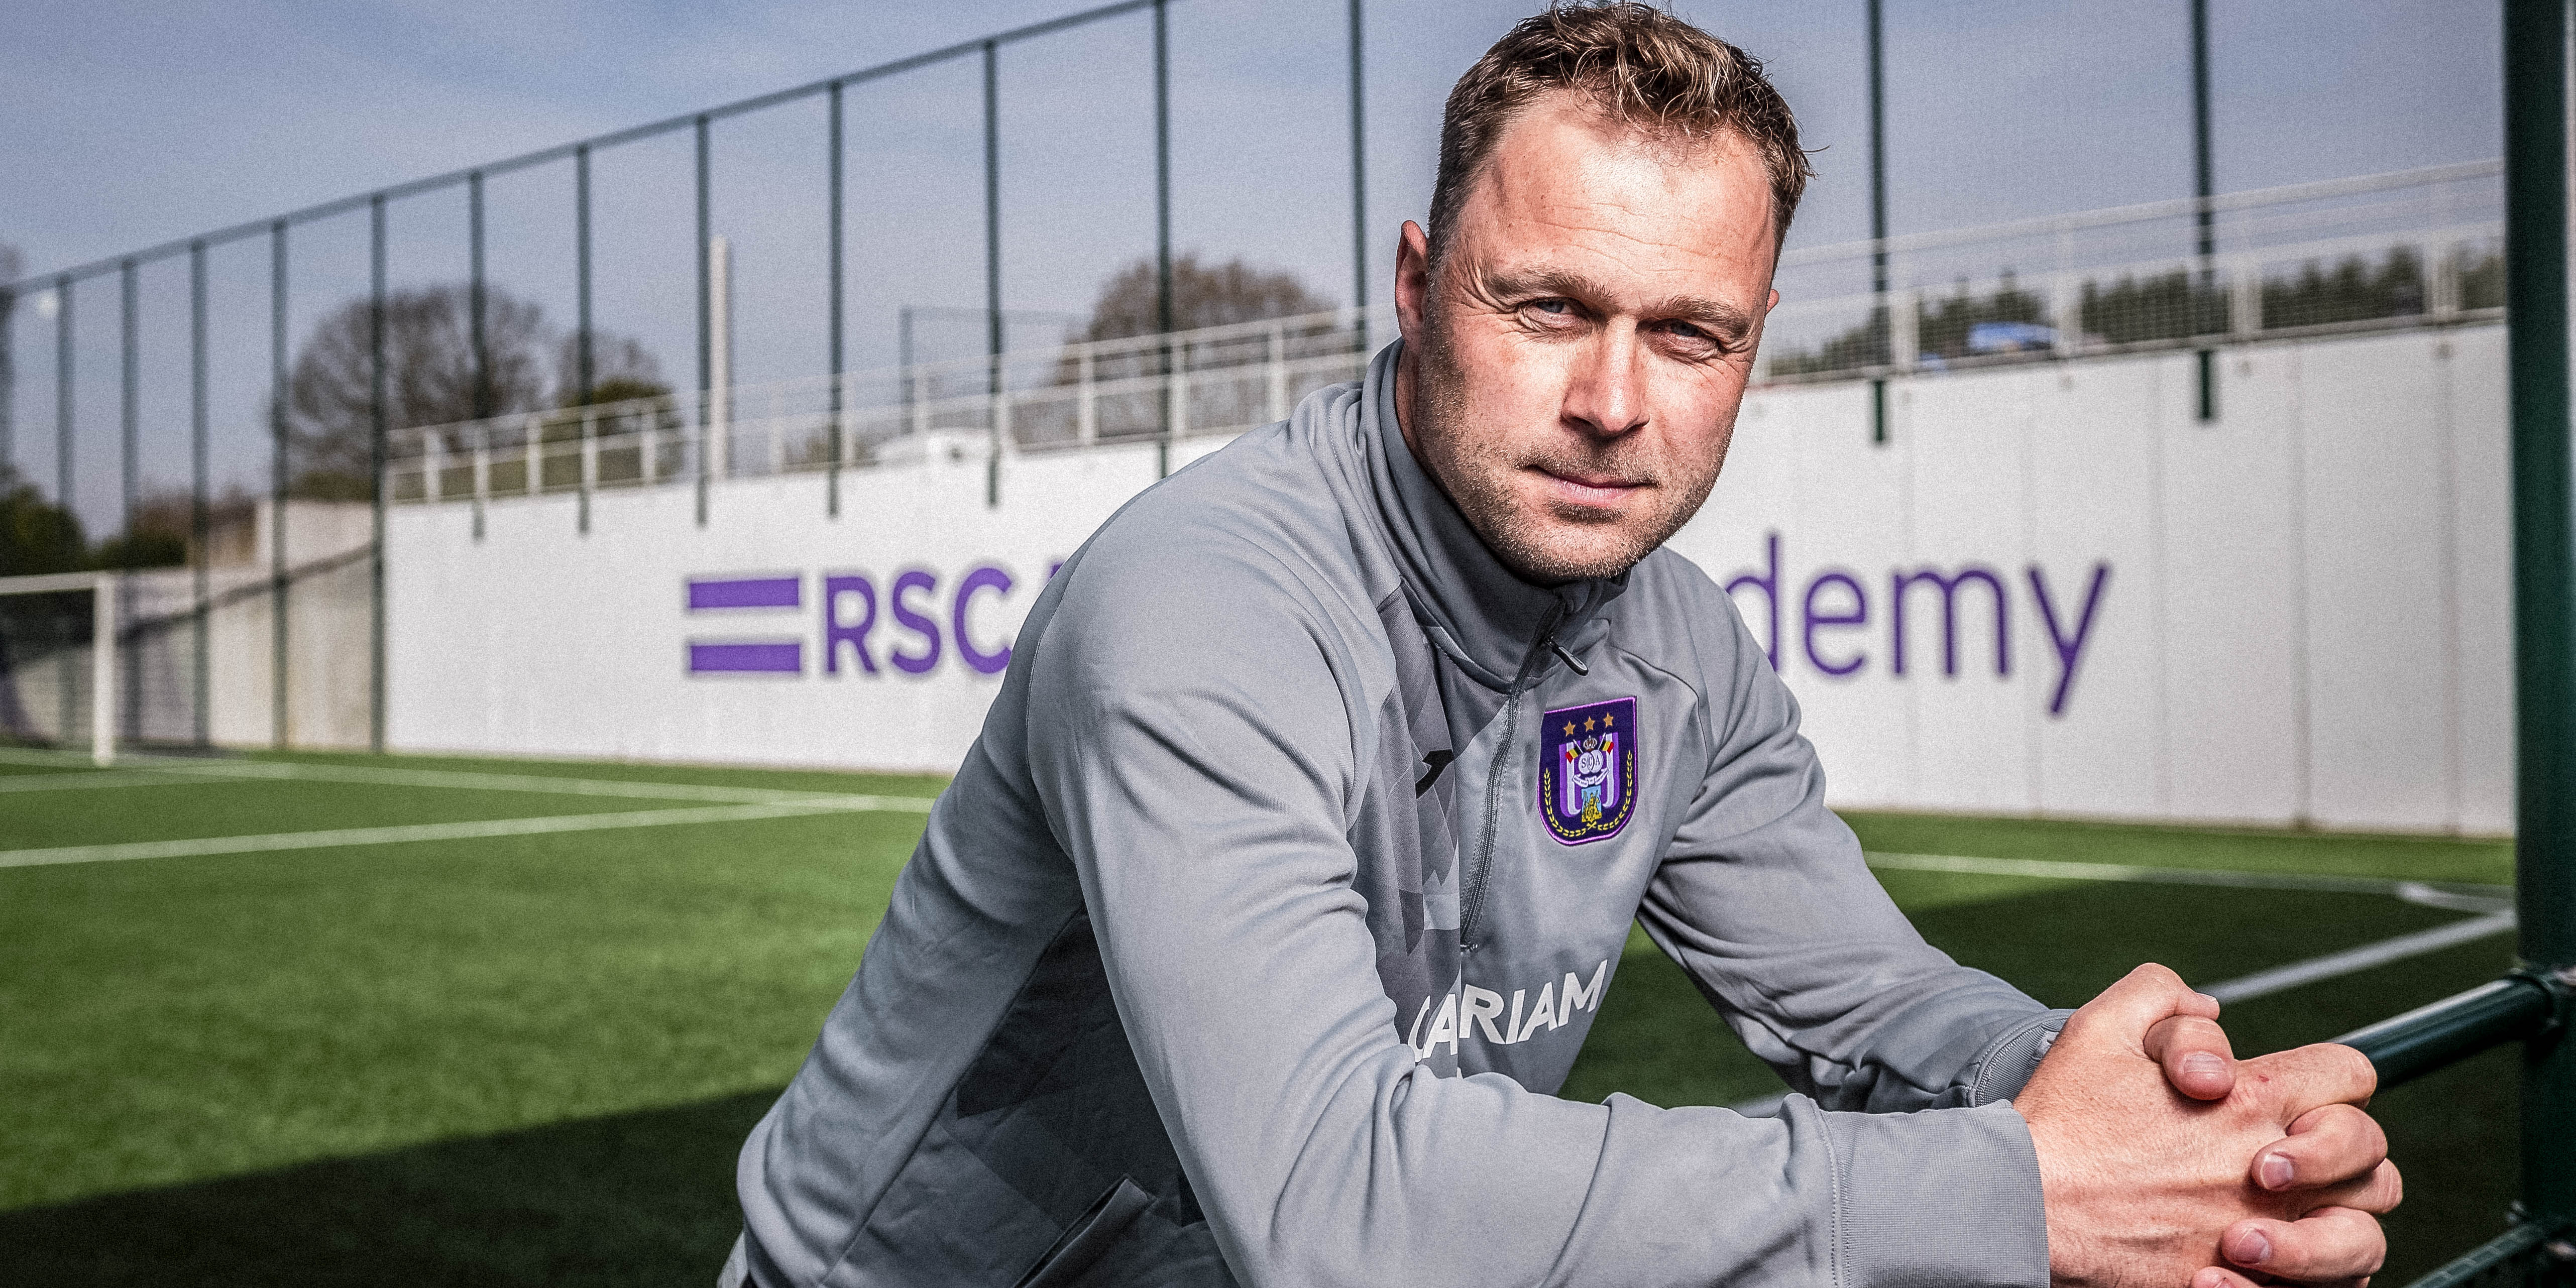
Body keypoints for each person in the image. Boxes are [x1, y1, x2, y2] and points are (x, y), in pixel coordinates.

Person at [725, 7, 2400, 1285]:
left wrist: (2149, 1109)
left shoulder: (1683, 650)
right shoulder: (1200, 600)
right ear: (1414, 281)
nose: (1612, 404)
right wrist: (2018, 1191)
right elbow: (1339, 1202)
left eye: (1689, 335)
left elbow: (1863, 991)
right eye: (1546, 309)